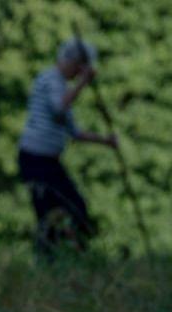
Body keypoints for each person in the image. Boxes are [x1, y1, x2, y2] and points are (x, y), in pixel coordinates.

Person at [18, 39, 119, 254]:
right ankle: (50, 257)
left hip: (48, 160)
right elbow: (58, 108)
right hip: (36, 158)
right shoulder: (50, 79)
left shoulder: (62, 87)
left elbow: (74, 131)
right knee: (49, 213)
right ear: (74, 63)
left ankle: (71, 252)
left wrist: (105, 141)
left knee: (74, 207)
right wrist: (83, 82)